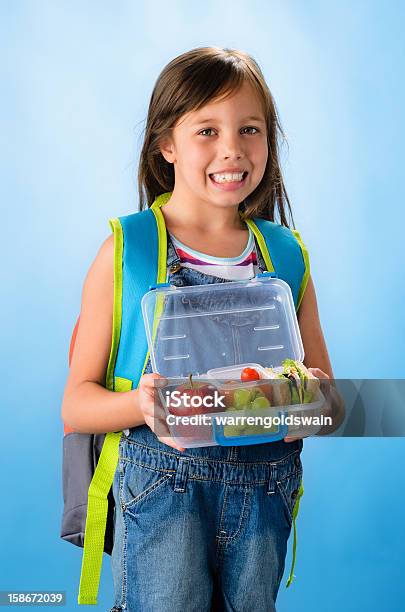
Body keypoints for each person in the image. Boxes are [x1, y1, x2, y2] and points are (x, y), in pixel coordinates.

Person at [62, 46, 334, 612]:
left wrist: (303, 403)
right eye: (206, 130)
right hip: (162, 488)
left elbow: (326, 402)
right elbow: (76, 405)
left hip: (264, 491)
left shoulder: (286, 255)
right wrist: (144, 406)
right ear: (167, 145)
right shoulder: (128, 252)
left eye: (250, 129)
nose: (232, 148)